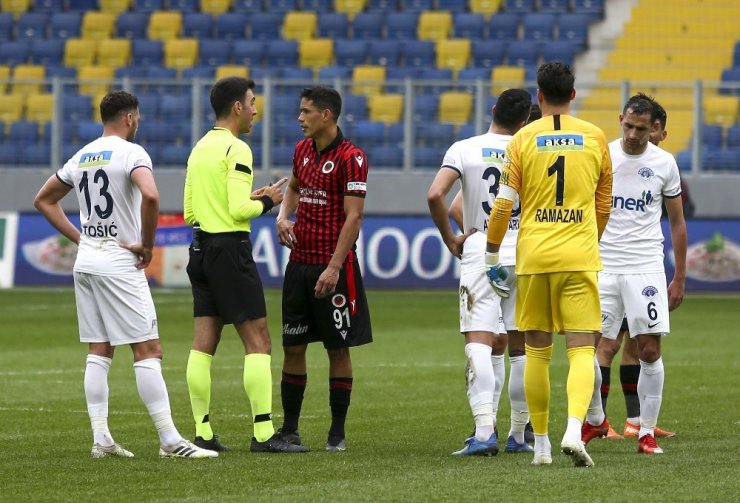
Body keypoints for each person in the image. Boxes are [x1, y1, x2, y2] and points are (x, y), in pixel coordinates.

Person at [33, 90, 217, 459]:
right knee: (148, 348)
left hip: (86, 262)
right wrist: (147, 245)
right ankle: (169, 440)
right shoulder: (133, 153)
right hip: (119, 263)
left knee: (99, 350)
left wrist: (80, 237)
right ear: (130, 118)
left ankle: (101, 438)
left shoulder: (83, 155)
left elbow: (43, 199)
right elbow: (150, 196)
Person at [484, 62, 613, 467]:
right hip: (578, 254)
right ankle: (575, 428)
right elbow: (604, 203)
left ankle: (540, 445)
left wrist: (491, 255)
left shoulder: (521, 139)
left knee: (537, 353)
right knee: (581, 349)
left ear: (538, 96)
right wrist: (589, 239)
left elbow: (504, 203)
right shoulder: (595, 137)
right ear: (573, 95)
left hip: (534, 257)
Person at [183, 77, 306, 454]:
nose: (256, 109)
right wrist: (267, 201)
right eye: (252, 102)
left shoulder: (200, 148)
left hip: (200, 250)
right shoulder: (238, 149)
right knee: (259, 341)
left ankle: (202, 432)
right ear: (237, 107)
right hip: (230, 251)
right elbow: (239, 210)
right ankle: (264, 435)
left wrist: (238, 203)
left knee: (204, 344)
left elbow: (190, 212)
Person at [581, 93, 687, 455]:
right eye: (627, 125)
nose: (632, 134)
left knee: (649, 349)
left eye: (640, 129)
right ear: (620, 119)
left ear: (654, 129)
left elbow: (677, 222)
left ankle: (645, 433)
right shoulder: (603, 155)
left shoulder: (664, 163)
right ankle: (595, 421)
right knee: (594, 348)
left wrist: (680, 277)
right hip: (605, 265)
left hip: (645, 268)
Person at [439, 97, 540, 456]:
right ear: (526, 119)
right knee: (523, 347)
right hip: (524, 251)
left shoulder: (464, 148)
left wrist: (452, 237)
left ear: (492, 111)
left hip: (482, 249)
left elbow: (438, 195)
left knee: (479, 342)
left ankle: (484, 432)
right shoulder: (531, 150)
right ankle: (518, 434)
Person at [275, 86, 372, 452]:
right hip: (298, 265)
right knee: (293, 346)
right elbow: (295, 188)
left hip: (334, 269)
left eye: (306, 112)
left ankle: (337, 433)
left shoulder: (352, 158)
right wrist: (284, 217)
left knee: (337, 349)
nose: (300, 118)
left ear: (326, 115)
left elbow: (355, 216)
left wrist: (333, 268)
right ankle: (290, 430)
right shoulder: (301, 150)